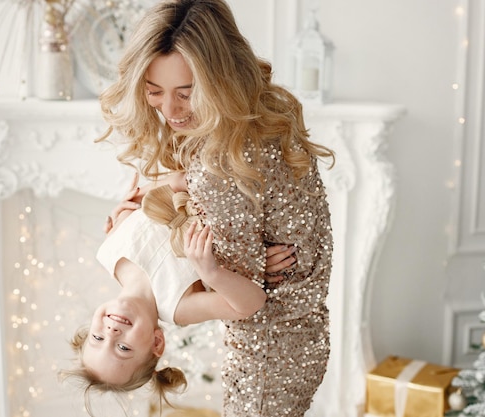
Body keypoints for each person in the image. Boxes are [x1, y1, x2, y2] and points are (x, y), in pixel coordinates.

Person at [97, 0, 335, 415]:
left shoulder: (224, 167)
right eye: (154, 93)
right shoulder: (243, 127)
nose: (169, 111)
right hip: (275, 336)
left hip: (272, 347)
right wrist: (157, 199)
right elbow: (235, 274)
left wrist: (140, 213)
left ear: (219, 80)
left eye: (185, 94)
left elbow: (246, 282)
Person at [62, 185, 295, 415]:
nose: (111, 332)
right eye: (123, 347)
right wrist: (212, 273)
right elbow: (250, 304)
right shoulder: (178, 307)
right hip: (223, 192)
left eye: (97, 337)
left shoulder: (108, 252)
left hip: (184, 171)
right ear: (156, 343)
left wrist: (129, 204)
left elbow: (150, 189)